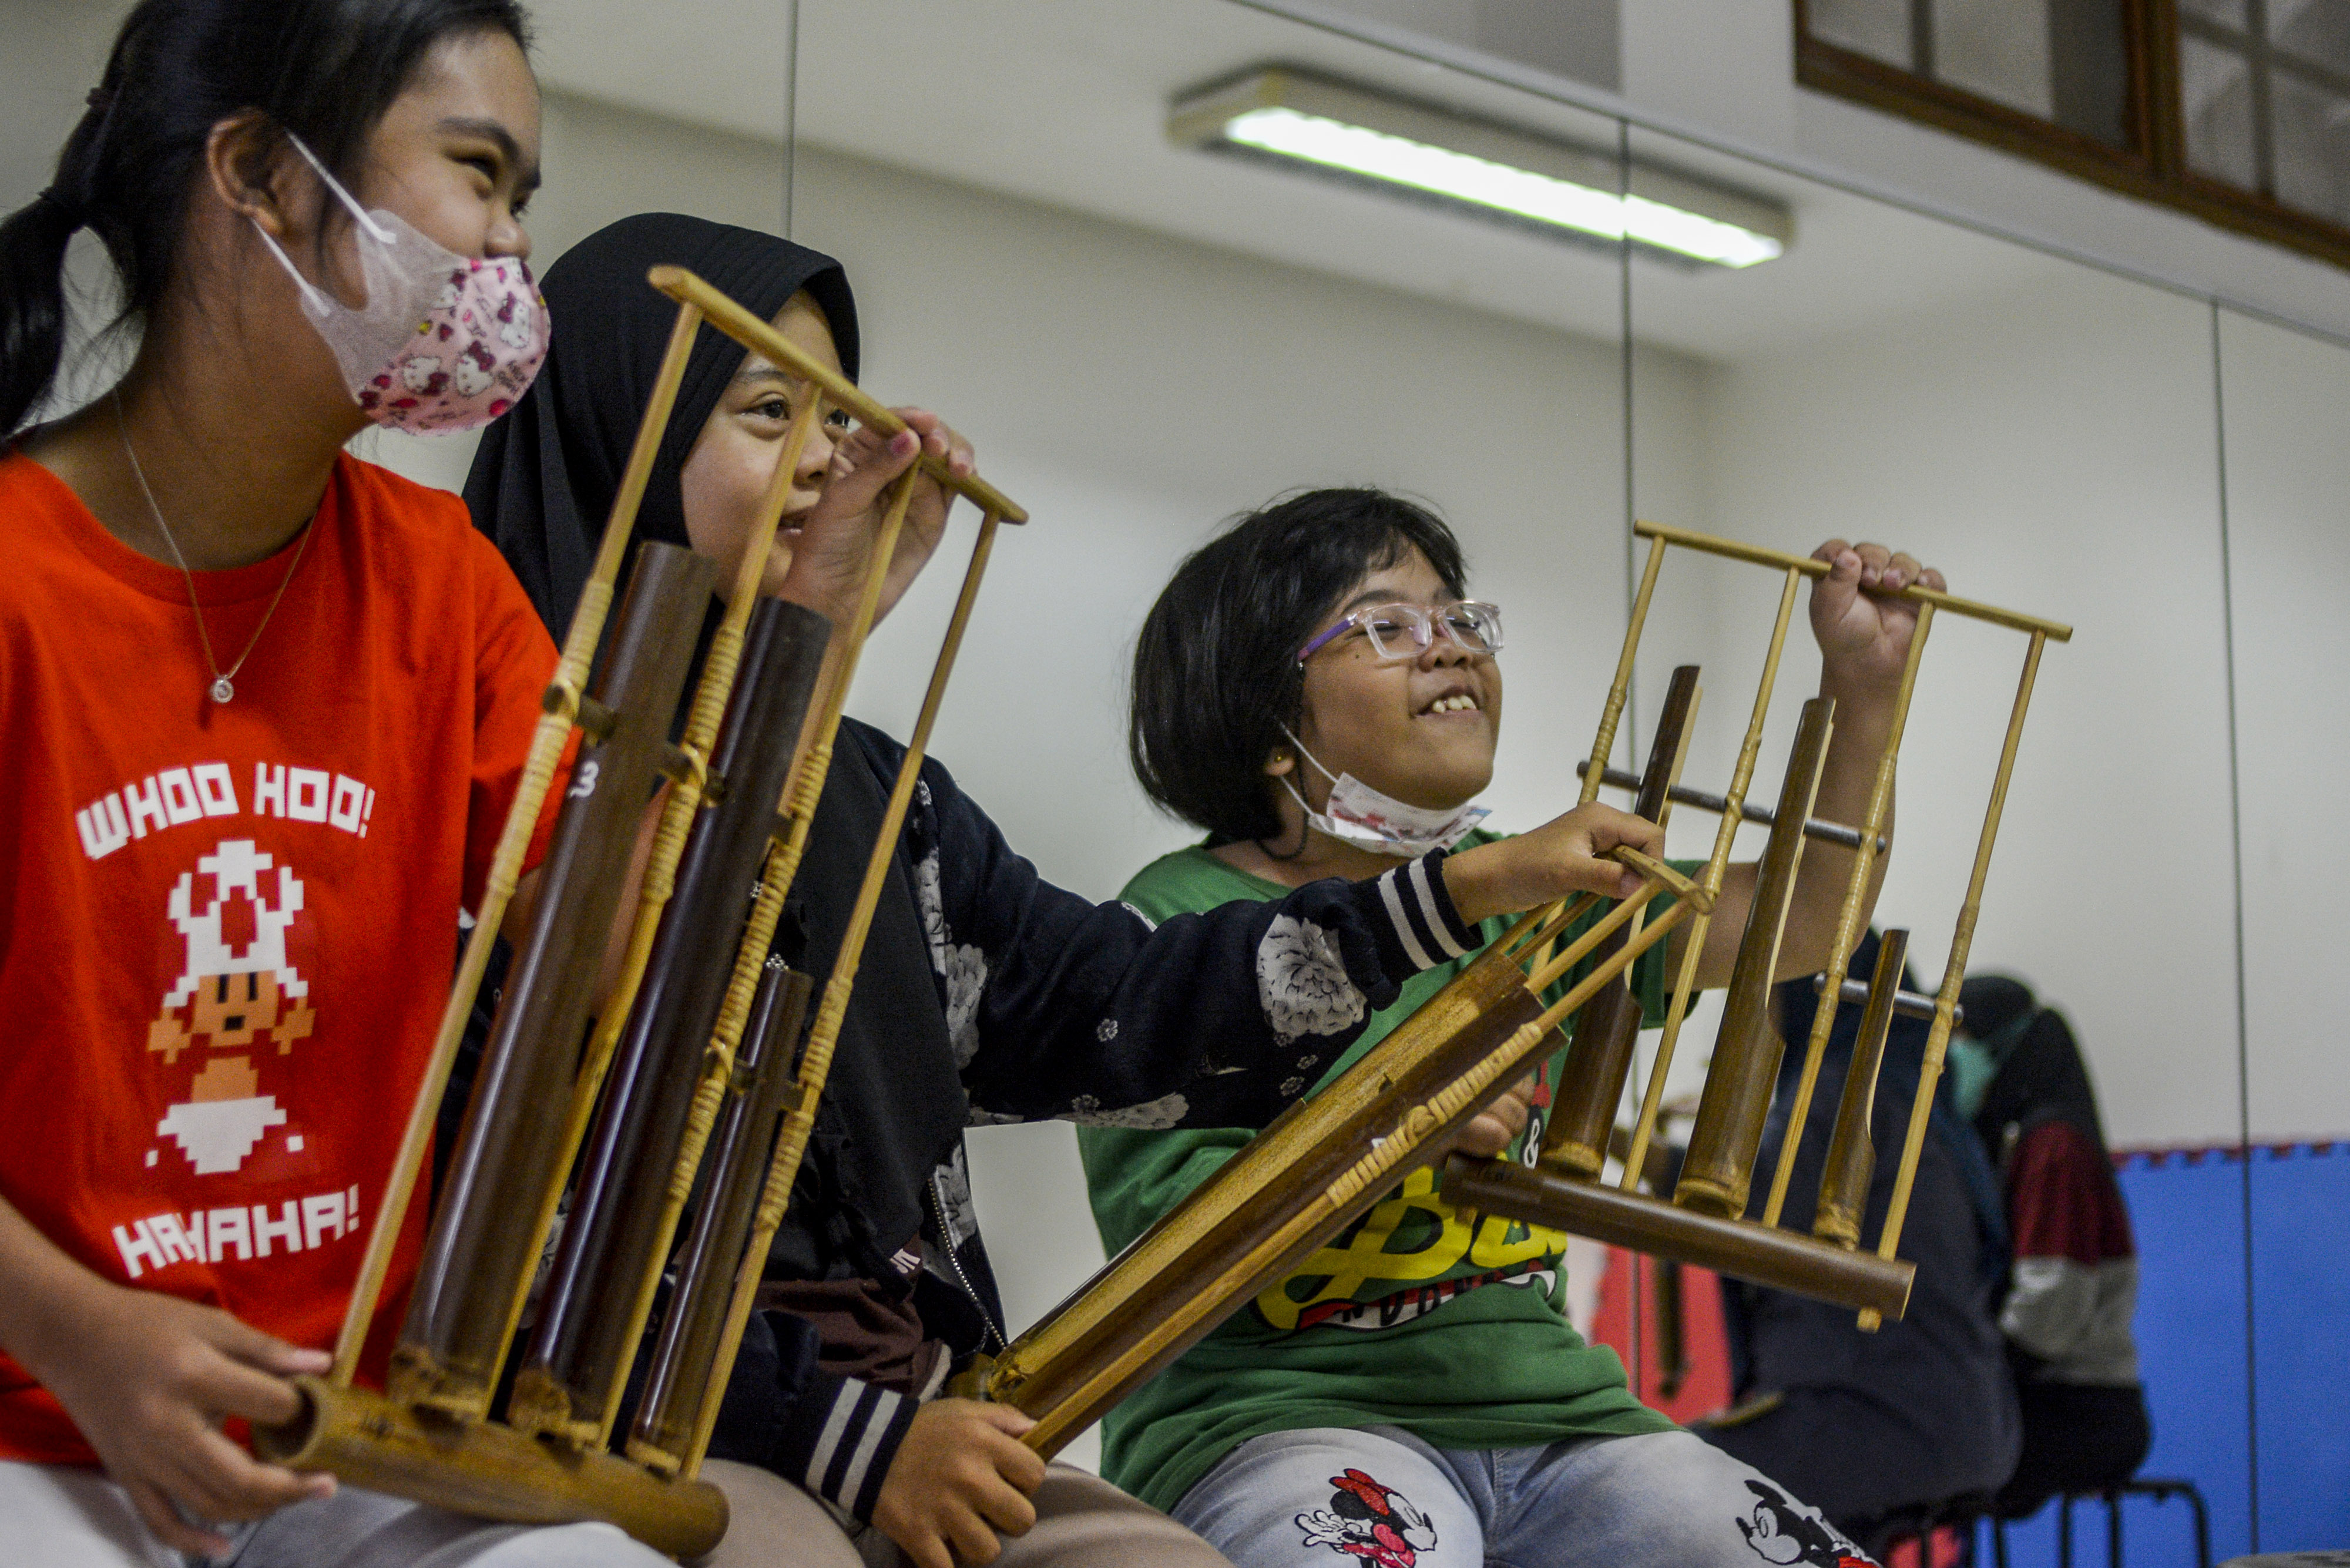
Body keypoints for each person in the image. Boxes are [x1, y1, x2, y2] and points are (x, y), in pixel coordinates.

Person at [465, 214, 1668, 1568]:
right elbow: (534, 1196)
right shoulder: (494, 750)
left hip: (907, 1403)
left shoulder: (887, 799)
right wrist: (853, 1443)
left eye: (834, 416)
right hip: (620, 1392)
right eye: (765, 412)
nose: (822, 459)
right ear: (622, 428)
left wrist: (1451, 890)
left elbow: (1109, 1001)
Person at [0, 2, 822, 1563]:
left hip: (349, 1428)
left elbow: (612, 952)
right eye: (481, 175)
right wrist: (90, 1335)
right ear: (257, 170)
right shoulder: (19, 578)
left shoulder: (440, 583)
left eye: (524, 198)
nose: (510, 249)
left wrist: (796, 620)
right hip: (44, 1409)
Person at [1082, 488, 1945, 1568]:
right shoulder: (1177, 920)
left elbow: (1807, 912)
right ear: (1264, 721)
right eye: (1387, 625)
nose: (1446, 649)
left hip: (1567, 1422)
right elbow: (1166, 1241)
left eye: (1459, 619)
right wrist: (1395, 1132)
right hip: (1277, 1417)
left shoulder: (1538, 884)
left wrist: (1865, 697)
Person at [1693, 930, 2021, 1553]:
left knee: (1646, 1490)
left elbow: (1749, 1224)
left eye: (1768, 994)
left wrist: (1641, 1168)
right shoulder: (1916, 1096)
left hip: (1878, 1417)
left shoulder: (1839, 1094)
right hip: (1963, 1419)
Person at [1950, 975, 2150, 1517]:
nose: (1949, 1058)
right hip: (2053, 1397)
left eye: (1959, 1038)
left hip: (2081, 1407)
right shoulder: (2018, 1141)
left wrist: (1966, 1371)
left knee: (1907, 1468)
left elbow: (2051, 1312)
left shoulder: (2053, 1148)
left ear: (2002, 1044)